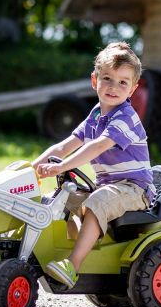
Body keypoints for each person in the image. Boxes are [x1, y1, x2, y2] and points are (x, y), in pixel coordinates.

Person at [32, 42, 154, 289]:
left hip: (134, 189)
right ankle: (64, 249)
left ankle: (73, 265)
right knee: (58, 198)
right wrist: (32, 168)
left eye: (123, 82)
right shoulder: (96, 115)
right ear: (94, 80)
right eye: (107, 78)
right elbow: (64, 146)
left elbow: (97, 146)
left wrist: (60, 167)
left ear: (133, 88)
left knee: (97, 202)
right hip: (107, 186)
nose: (113, 87)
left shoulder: (126, 117)